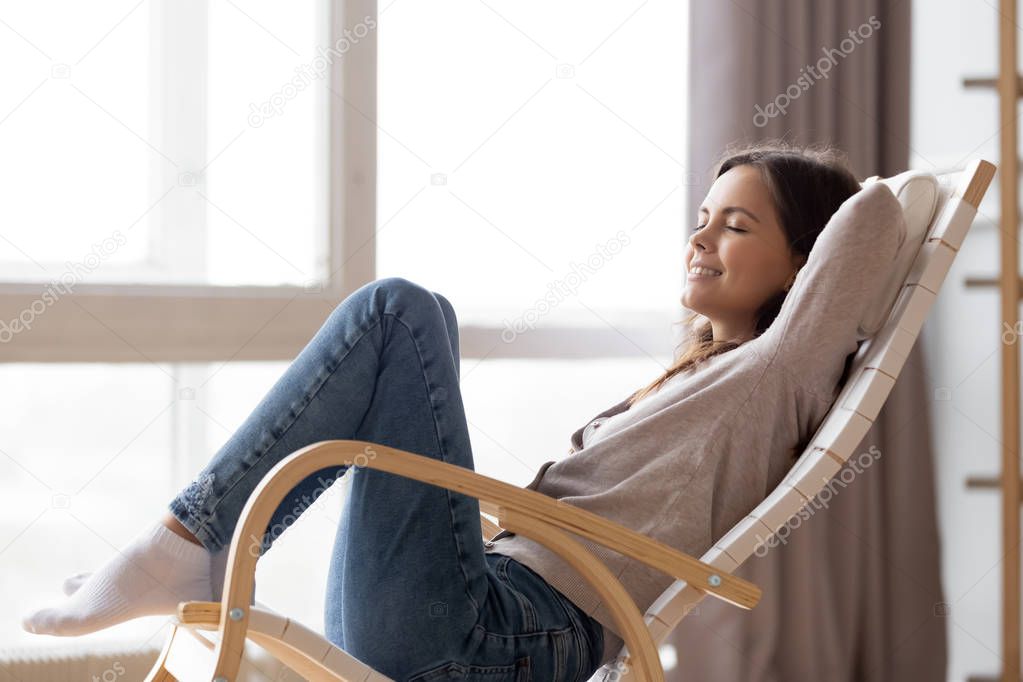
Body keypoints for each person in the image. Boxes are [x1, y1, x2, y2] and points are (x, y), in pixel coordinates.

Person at [21, 139, 889, 681]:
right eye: (702, 217)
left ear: (804, 269)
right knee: (418, 309)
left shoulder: (782, 372)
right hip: (475, 613)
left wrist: (928, 187)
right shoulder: (701, 378)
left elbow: (876, 216)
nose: (699, 238)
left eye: (736, 227)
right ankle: (188, 548)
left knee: (394, 311)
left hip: (494, 641)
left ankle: (182, 544)